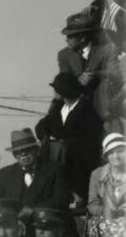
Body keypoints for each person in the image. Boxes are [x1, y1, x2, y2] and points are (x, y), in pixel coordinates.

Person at [35, 72, 104, 203]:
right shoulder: (58, 109)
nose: (54, 93)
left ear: (64, 91)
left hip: (79, 165)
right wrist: (48, 137)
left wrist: (65, 142)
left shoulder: (87, 110)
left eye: (57, 90)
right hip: (58, 163)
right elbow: (42, 126)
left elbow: (92, 140)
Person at [0, 128, 72, 210]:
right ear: (14, 155)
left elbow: (62, 200)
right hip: (13, 221)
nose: (23, 153)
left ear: (37, 149)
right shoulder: (6, 174)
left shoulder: (54, 169)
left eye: (27, 149)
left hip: (46, 221)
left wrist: (31, 210)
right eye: (18, 151)